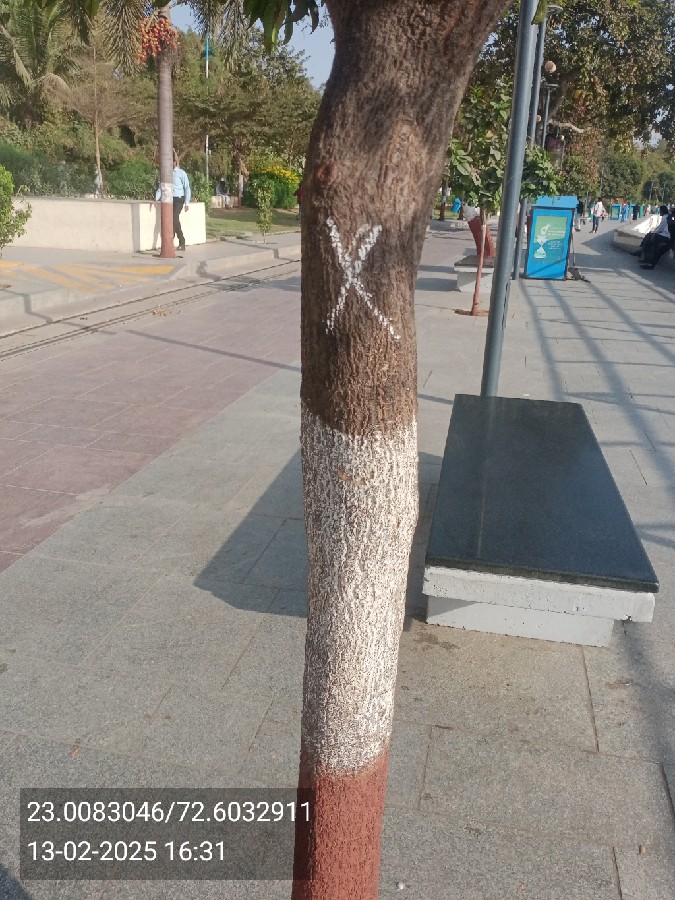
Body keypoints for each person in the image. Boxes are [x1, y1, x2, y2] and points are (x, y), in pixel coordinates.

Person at [155, 153, 191, 251]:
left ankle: (180, 240)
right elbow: (162, 186)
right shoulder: (167, 173)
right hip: (169, 199)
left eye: (173, 161)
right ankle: (174, 240)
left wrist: (187, 203)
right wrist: (156, 198)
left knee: (174, 218)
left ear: (175, 162)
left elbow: (187, 188)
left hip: (179, 199)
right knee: (170, 219)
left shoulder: (181, 173)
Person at [639, 205, 675, 269]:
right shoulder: (669, 219)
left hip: (668, 240)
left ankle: (646, 258)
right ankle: (647, 259)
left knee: (653, 242)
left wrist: (654, 233)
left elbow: (661, 229)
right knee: (653, 242)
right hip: (669, 239)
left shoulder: (668, 219)